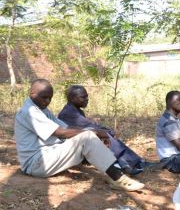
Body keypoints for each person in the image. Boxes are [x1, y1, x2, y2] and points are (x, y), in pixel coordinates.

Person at [14, 79, 144, 191]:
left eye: (50, 98)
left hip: (47, 157)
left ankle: (117, 170)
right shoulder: (29, 112)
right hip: (36, 163)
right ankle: (118, 178)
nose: (47, 101)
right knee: (87, 136)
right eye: (44, 97)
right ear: (32, 94)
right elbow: (61, 132)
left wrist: (95, 135)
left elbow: (65, 127)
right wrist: (94, 133)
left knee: (87, 134)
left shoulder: (41, 109)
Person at [58, 85, 146, 175]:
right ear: (72, 98)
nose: (87, 99)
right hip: (75, 151)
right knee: (104, 136)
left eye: (87, 96)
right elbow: (91, 128)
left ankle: (132, 162)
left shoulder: (74, 110)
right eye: (83, 97)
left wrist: (107, 132)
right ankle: (127, 163)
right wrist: (109, 132)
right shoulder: (68, 113)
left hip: (82, 147)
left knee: (104, 135)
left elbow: (89, 126)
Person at [154, 90, 180, 174]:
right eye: (179, 99)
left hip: (179, 156)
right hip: (171, 161)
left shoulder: (174, 119)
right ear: (169, 102)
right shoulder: (168, 121)